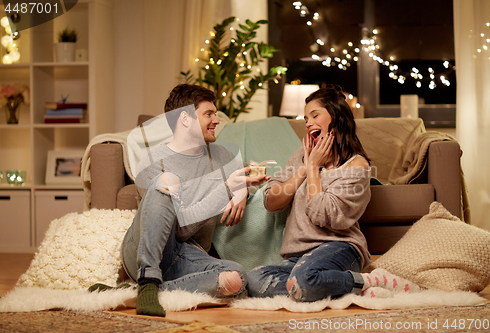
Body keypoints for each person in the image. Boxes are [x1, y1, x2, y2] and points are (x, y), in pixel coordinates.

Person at [90, 84, 269, 317]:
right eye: (209, 114)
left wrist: (242, 192)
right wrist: (225, 190)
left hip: (186, 257)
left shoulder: (222, 157)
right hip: (145, 253)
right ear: (185, 119)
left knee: (235, 278)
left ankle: (135, 293)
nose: (216, 120)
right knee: (167, 181)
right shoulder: (153, 162)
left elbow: (251, 178)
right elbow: (177, 230)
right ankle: (147, 279)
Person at [246, 84, 419, 302]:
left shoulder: (356, 166)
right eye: (306, 118)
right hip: (299, 256)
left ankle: (367, 282)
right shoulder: (301, 155)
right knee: (255, 279)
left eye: (314, 115)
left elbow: (321, 214)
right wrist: (305, 167)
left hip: (339, 248)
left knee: (304, 281)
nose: (308, 122)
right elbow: (271, 201)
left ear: (335, 116)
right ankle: (338, 286)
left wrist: (313, 168)